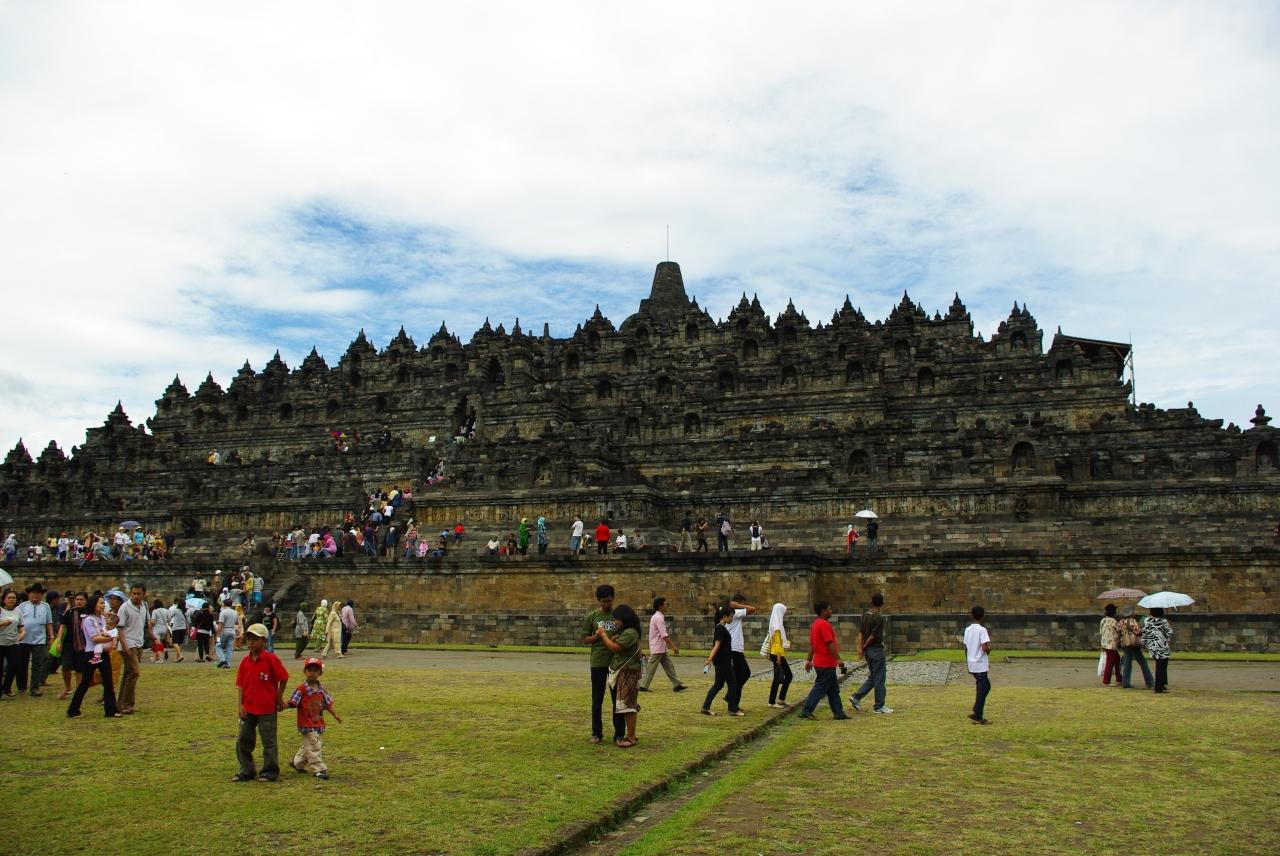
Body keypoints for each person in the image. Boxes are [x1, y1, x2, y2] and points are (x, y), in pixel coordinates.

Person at [232, 623, 289, 782]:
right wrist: (240, 704)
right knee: (243, 739)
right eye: (249, 639)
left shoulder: (270, 659)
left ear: (264, 641)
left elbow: (283, 678)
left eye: (255, 639)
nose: (250, 642)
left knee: (268, 741)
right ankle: (247, 770)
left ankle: (270, 771)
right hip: (248, 708)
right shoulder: (245, 661)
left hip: (266, 708)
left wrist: (279, 698)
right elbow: (240, 684)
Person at [65, 595, 121, 718]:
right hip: (91, 653)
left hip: (103, 653)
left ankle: (111, 710)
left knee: (108, 681)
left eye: (103, 603)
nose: (103, 605)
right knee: (85, 683)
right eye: (100, 603)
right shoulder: (89, 620)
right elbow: (94, 638)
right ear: (93, 605)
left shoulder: (102, 618)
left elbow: (108, 628)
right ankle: (73, 710)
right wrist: (112, 638)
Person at [581, 584, 623, 745]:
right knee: (597, 699)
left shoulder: (618, 615)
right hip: (598, 662)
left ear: (613, 599)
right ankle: (596, 733)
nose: (607, 604)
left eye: (609, 601)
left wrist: (617, 638)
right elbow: (585, 639)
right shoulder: (592, 616)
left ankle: (619, 734)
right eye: (604, 601)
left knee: (617, 700)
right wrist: (597, 636)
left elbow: (625, 635)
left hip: (615, 663)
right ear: (598, 600)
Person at [595, 603, 643, 748]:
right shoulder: (629, 632)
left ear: (624, 618)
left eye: (616, 619)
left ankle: (631, 736)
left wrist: (603, 635)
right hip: (627, 671)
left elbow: (615, 648)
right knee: (626, 705)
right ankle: (630, 734)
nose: (615, 622)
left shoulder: (630, 633)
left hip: (627, 673)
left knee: (628, 706)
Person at [288, 657, 342, 779]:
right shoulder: (302, 689)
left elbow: (327, 704)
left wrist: (335, 715)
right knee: (314, 746)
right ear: (304, 672)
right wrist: (282, 705)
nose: (312, 673)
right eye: (309, 670)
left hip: (318, 723)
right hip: (306, 724)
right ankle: (319, 769)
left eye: (315, 671)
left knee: (309, 747)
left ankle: (297, 762)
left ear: (320, 673)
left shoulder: (322, 690)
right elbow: (293, 702)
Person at [799, 601, 849, 720]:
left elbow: (812, 645)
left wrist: (808, 660)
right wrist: (838, 659)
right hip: (825, 663)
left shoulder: (816, 624)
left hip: (821, 662)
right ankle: (806, 710)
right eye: (829, 609)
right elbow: (829, 643)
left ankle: (838, 712)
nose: (831, 611)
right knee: (820, 688)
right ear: (823, 611)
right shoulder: (824, 625)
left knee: (833, 689)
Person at [849, 593, 892, 714]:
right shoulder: (879, 618)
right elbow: (873, 635)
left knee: (874, 677)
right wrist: (864, 646)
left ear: (872, 602)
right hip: (876, 650)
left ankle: (856, 697)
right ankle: (879, 706)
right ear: (882, 603)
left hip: (868, 651)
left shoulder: (865, 615)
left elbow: (861, 633)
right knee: (880, 678)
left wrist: (860, 648)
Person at [638, 597, 686, 693]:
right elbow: (664, 634)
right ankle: (643, 685)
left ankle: (677, 684)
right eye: (665, 604)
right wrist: (673, 646)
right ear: (660, 606)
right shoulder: (658, 618)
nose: (667, 606)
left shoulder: (658, 617)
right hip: (657, 647)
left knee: (669, 666)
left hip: (660, 647)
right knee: (651, 667)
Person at [701, 606, 741, 716]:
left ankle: (705, 707)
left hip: (722, 660)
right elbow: (716, 645)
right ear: (724, 616)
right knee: (733, 684)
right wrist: (709, 659)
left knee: (718, 684)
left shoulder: (721, 627)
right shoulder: (720, 628)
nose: (732, 619)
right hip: (723, 661)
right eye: (731, 616)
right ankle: (733, 709)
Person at [15, 583, 54, 696]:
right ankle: (22, 686)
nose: (36, 595)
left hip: (39, 640)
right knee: (22, 664)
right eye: (33, 593)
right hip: (23, 639)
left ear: (41, 595)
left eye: (38, 593)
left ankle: (34, 688)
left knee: (38, 664)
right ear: (29, 594)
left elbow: (49, 623)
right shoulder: (22, 606)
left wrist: (51, 636)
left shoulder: (45, 606)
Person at [760, 602, 792, 708]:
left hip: (776, 654)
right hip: (777, 654)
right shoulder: (777, 625)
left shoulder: (775, 623)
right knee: (785, 676)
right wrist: (779, 657)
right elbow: (777, 643)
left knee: (778, 677)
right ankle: (775, 701)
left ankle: (777, 700)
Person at [726, 595, 756, 709]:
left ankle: (731, 698)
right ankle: (733, 704)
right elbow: (752, 609)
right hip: (734, 648)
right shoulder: (735, 612)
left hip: (735, 648)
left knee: (743, 674)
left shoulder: (732, 613)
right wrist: (742, 606)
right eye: (741, 603)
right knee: (740, 676)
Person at [56, 592, 88, 698]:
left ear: (86, 601)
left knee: (80, 669)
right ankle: (68, 687)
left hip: (84, 644)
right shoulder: (69, 612)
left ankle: (78, 691)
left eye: (81, 599)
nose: (78, 601)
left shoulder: (89, 613)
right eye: (77, 599)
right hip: (68, 644)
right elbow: (62, 626)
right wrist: (59, 641)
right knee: (66, 667)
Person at [964, 605, 992, 724]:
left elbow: (966, 647)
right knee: (982, 688)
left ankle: (977, 710)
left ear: (972, 615)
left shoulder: (967, 630)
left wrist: (968, 663)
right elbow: (984, 647)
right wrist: (989, 650)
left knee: (986, 686)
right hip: (980, 664)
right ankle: (978, 715)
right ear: (983, 616)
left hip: (972, 663)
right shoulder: (982, 630)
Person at [1117, 605, 1154, 689]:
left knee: (1127, 664)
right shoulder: (1132, 621)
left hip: (1125, 644)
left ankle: (1126, 682)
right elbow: (1138, 631)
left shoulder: (1121, 622)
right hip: (1133, 644)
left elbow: (1118, 631)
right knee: (1143, 663)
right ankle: (1149, 681)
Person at [1142, 607, 1173, 694]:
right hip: (1161, 646)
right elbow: (1169, 632)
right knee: (1162, 666)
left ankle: (1161, 684)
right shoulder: (1163, 621)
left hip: (1152, 646)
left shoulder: (1147, 621)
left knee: (1159, 665)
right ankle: (1159, 687)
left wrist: (1144, 643)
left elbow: (1144, 634)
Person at [0, 590, 20, 697]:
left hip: (13, 643)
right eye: (9, 598)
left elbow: (21, 626)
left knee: (14, 666)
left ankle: (6, 688)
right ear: (4, 599)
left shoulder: (18, 611)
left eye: (13, 598)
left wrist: (23, 633)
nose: (11, 599)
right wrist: (2, 623)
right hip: (0, 642)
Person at [1099, 603, 1122, 686]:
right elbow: (1119, 629)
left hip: (1105, 643)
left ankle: (1119, 678)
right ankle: (1106, 680)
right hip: (1111, 644)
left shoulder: (1103, 620)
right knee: (1110, 662)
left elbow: (1101, 631)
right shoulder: (1113, 621)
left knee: (1116, 659)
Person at [215, 598, 239, 669]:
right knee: (229, 648)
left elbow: (221, 624)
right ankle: (227, 664)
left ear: (224, 604)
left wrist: (217, 635)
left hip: (224, 631)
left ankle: (222, 659)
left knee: (218, 646)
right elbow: (237, 622)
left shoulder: (223, 612)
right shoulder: (235, 612)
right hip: (232, 631)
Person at [148, 598, 170, 663]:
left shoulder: (155, 611)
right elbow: (169, 619)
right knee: (158, 644)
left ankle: (160, 659)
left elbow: (153, 621)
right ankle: (154, 658)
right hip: (164, 630)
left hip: (156, 630)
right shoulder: (166, 610)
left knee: (158, 645)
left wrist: (150, 625)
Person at [168, 597, 188, 662]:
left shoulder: (175, 610)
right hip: (183, 629)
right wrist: (188, 629)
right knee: (180, 644)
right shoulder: (186, 612)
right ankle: (177, 658)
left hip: (176, 628)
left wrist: (168, 621)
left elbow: (170, 617)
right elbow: (187, 622)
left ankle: (180, 655)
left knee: (174, 643)